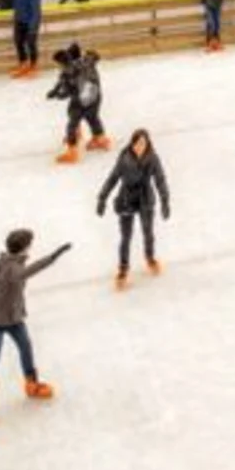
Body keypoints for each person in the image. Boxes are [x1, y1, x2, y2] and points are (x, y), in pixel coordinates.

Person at [0, 229, 71, 429]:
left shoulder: (10, 262)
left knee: (26, 347)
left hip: (13, 318)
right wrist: (53, 256)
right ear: (23, 247)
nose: (31, 245)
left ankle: (32, 383)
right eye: (30, 243)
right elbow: (28, 272)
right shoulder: (12, 269)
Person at [95, 129, 170, 289]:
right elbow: (113, 178)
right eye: (137, 143)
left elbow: (160, 179)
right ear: (133, 143)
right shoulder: (124, 159)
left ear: (148, 144)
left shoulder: (153, 158)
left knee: (148, 232)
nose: (140, 146)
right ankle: (123, 268)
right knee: (126, 237)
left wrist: (165, 200)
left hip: (145, 199)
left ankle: (150, 258)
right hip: (126, 199)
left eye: (143, 143)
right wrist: (102, 198)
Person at [48, 44, 110, 164]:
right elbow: (95, 56)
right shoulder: (88, 60)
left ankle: (72, 151)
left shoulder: (67, 71)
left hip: (81, 100)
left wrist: (56, 95)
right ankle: (100, 138)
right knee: (93, 117)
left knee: (72, 122)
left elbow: (66, 92)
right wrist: (91, 53)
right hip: (95, 96)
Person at [9, 0, 43, 78]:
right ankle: (23, 64)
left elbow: (35, 11)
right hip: (19, 23)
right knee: (18, 43)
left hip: (30, 23)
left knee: (31, 44)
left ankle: (33, 66)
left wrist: (33, 27)